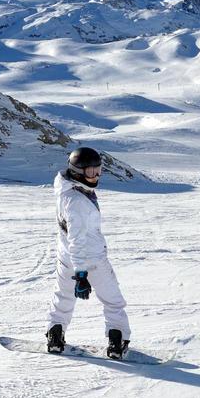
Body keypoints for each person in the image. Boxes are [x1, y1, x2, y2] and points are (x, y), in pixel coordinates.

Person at [46, 146, 131, 359]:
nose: (96, 176)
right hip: (89, 260)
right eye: (91, 172)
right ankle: (117, 341)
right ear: (77, 172)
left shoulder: (67, 190)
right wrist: (81, 274)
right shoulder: (77, 202)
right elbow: (77, 239)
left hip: (66, 258)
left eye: (98, 170)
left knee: (62, 298)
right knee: (113, 301)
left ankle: (55, 334)